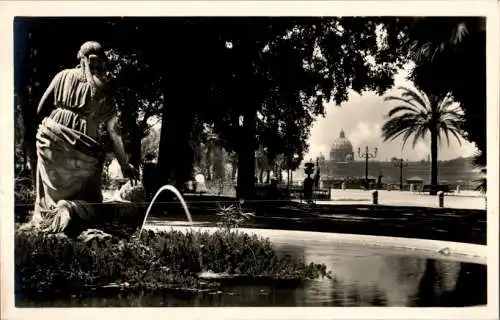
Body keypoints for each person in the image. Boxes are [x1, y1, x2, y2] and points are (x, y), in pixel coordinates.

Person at [27, 41, 139, 234]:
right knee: (91, 201)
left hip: (51, 136)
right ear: (99, 62)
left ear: (80, 57)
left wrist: (54, 125)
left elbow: (40, 108)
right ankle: (71, 209)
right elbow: (114, 132)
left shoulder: (62, 75)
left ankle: (52, 215)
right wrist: (125, 164)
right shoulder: (102, 89)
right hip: (86, 143)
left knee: (49, 196)